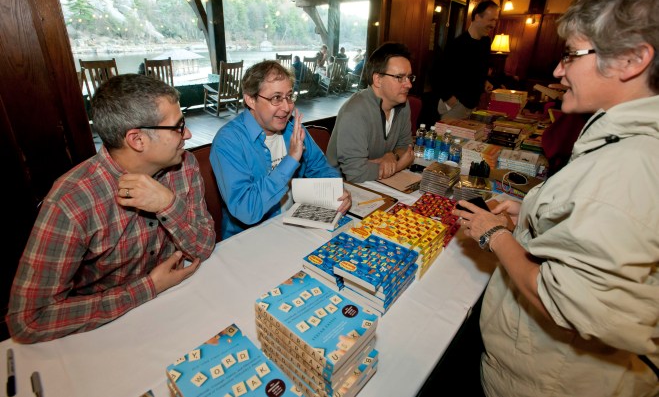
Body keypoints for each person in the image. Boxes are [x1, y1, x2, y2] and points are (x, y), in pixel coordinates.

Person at [455, 0, 659, 396]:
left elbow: (558, 298)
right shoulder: (624, 144)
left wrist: (494, 235)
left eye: (572, 55)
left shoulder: (630, 166)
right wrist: (530, 212)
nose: (558, 71)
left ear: (631, 60)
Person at [6, 74, 216, 343]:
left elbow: (203, 247)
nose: (187, 134)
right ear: (137, 140)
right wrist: (148, 287)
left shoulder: (184, 165)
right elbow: (28, 320)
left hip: (176, 304)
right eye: (178, 127)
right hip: (106, 327)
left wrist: (167, 204)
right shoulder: (72, 201)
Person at [210, 61, 351, 239]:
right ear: (251, 100)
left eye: (289, 96)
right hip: (249, 238)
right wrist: (290, 159)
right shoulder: (228, 142)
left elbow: (321, 168)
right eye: (276, 98)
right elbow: (246, 209)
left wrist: (336, 191)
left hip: (294, 224)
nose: (287, 107)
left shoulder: (293, 128)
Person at [326, 42, 415, 183]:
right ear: (378, 80)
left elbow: (405, 147)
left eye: (409, 77)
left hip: (376, 182)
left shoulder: (403, 105)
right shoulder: (355, 111)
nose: (409, 84)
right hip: (342, 186)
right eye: (400, 77)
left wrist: (392, 156)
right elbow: (355, 173)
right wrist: (398, 166)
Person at [435, 0, 499, 120]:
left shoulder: (485, 42)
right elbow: (438, 74)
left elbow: (475, 71)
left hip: (473, 106)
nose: (493, 24)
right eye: (491, 20)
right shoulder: (457, 44)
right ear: (477, 17)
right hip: (456, 106)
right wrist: (449, 98)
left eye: (495, 20)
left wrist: (484, 82)